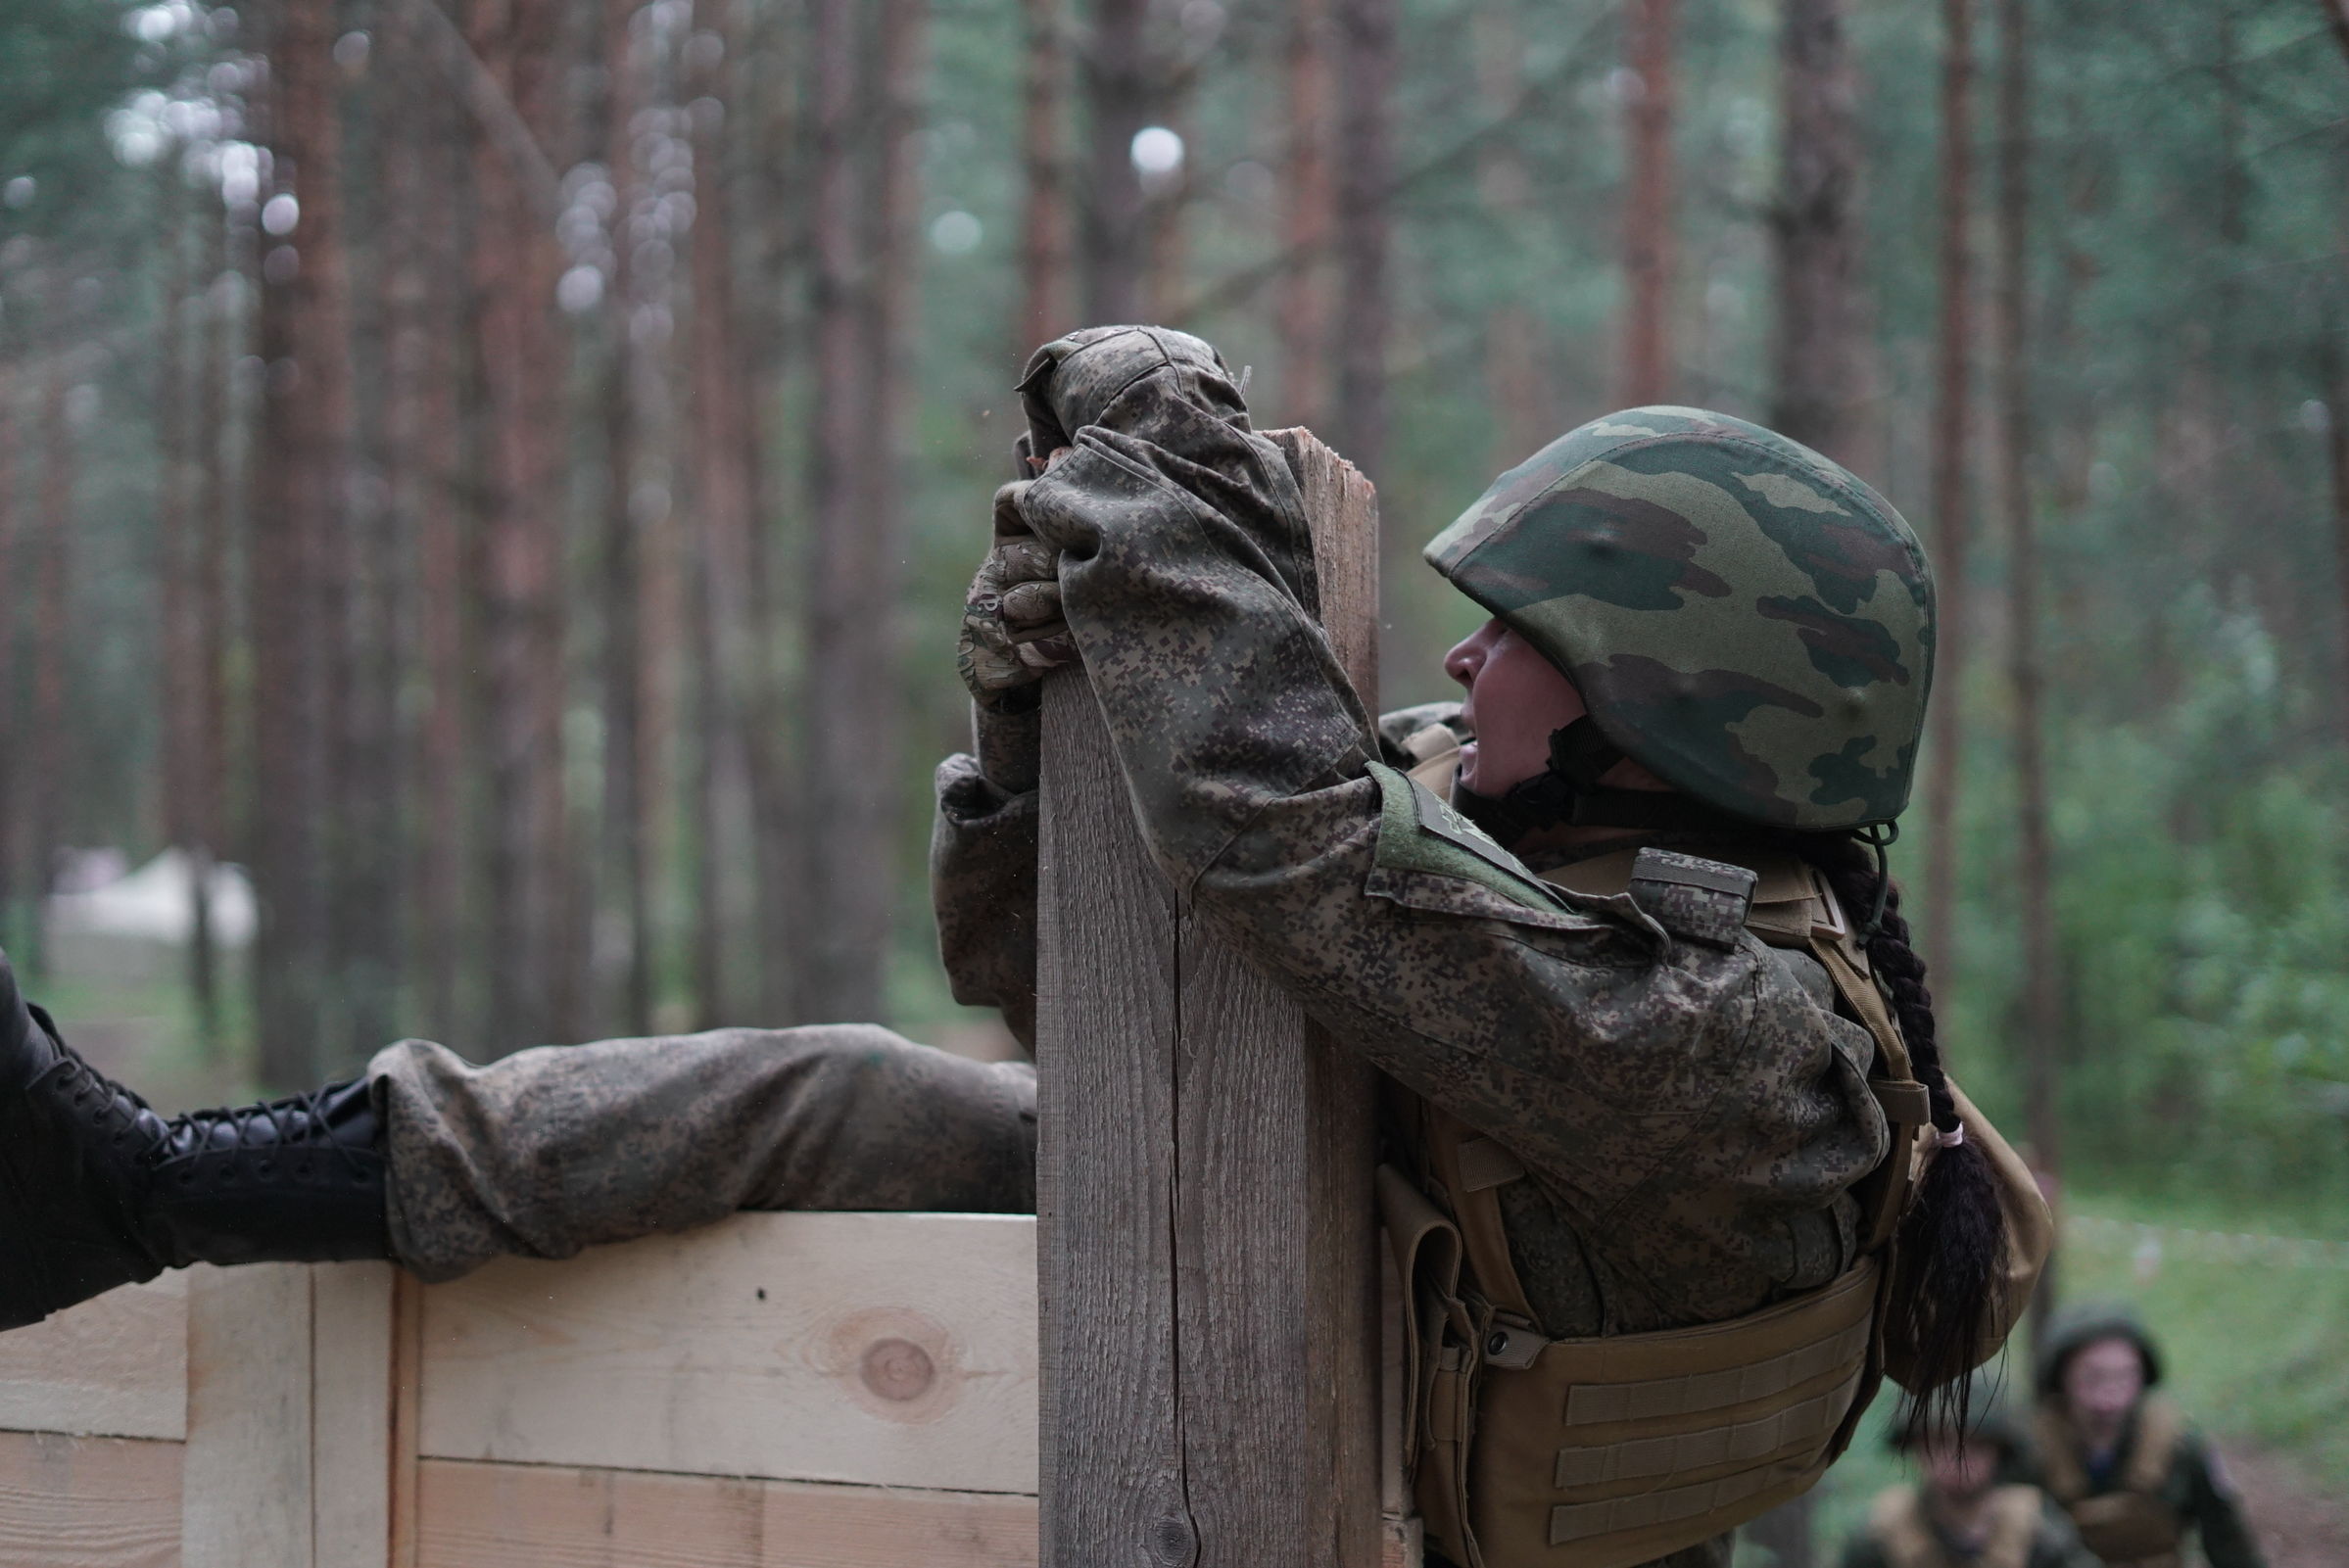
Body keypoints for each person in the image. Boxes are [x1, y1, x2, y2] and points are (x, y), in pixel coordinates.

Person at [2, 326, 2047, 1567]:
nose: (1458, 656)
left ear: (1663, 715)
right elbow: (1075, 990)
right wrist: (1036, 722)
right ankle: (149, 1186)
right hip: (1349, 1302)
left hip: (1412, 1475)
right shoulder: (1547, 842)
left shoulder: (1727, 1049)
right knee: (855, 1086)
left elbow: (1287, 854)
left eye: (1521, 637)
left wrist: (1155, 479)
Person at [2026, 1303, 2265, 1568]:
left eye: (2123, 1377)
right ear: (2061, 1378)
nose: (2109, 1397)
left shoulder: (2180, 1445)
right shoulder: (2029, 1447)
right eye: (2092, 1378)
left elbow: (2227, 1539)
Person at [1839, 1373, 2098, 1568]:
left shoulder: (2039, 1530)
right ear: (1917, 1446)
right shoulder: (1880, 1536)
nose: (1957, 1457)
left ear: (1999, 1449)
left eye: (1975, 1443)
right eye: (1939, 1442)